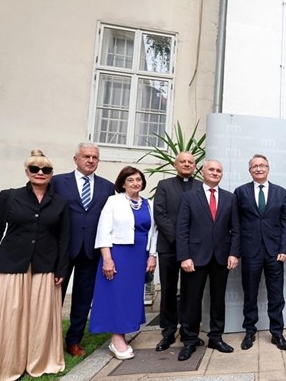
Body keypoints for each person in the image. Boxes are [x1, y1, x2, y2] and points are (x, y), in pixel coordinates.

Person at [0, 149, 70, 381]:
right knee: (10, 315)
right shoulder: (9, 196)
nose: (40, 173)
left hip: (45, 266)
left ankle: (39, 360)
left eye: (45, 169)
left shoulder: (60, 203)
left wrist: (61, 268)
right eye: (34, 169)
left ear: (51, 174)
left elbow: (64, 239)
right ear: (27, 172)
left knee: (40, 316)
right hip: (12, 264)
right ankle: (7, 364)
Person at [51, 142, 113, 358]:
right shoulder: (58, 182)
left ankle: (73, 340)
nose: (90, 160)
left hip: (90, 251)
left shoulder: (107, 187)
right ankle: (48, 341)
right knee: (53, 297)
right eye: (86, 156)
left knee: (83, 299)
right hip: (62, 251)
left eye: (94, 157)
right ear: (75, 159)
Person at [89, 166, 158, 360]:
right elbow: (103, 230)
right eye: (131, 180)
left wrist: (152, 255)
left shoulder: (149, 204)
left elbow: (154, 232)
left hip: (139, 257)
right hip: (118, 255)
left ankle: (124, 332)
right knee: (117, 296)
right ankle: (117, 339)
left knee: (131, 296)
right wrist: (107, 259)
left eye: (138, 179)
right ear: (123, 183)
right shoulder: (114, 201)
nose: (135, 183)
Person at [176, 159, 240, 361]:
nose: (215, 172)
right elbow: (182, 229)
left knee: (218, 300)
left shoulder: (230, 198)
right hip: (195, 258)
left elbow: (236, 228)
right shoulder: (189, 197)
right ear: (202, 172)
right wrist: (184, 256)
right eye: (211, 169)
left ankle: (216, 338)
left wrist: (234, 253)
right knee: (191, 301)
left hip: (221, 257)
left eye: (218, 170)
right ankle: (189, 340)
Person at [234, 154, 286, 351]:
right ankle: (250, 331)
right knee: (250, 294)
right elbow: (236, 224)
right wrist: (236, 251)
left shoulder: (280, 192)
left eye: (262, 166)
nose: (259, 169)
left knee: (276, 295)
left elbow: (285, 223)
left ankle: (277, 333)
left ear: (268, 168)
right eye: (255, 166)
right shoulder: (240, 192)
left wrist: (284, 248)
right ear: (250, 170)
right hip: (250, 251)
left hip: (275, 252)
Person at [152, 151, 204, 352]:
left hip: (194, 251)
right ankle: (168, 331)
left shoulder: (201, 187)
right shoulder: (164, 186)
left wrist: (188, 243)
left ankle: (188, 331)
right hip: (169, 247)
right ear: (175, 165)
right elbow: (160, 214)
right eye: (183, 161)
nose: (187, 164)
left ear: (195, 166)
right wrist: (179, 239)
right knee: (168, 290)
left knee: (191, 292)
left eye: (190, 162)